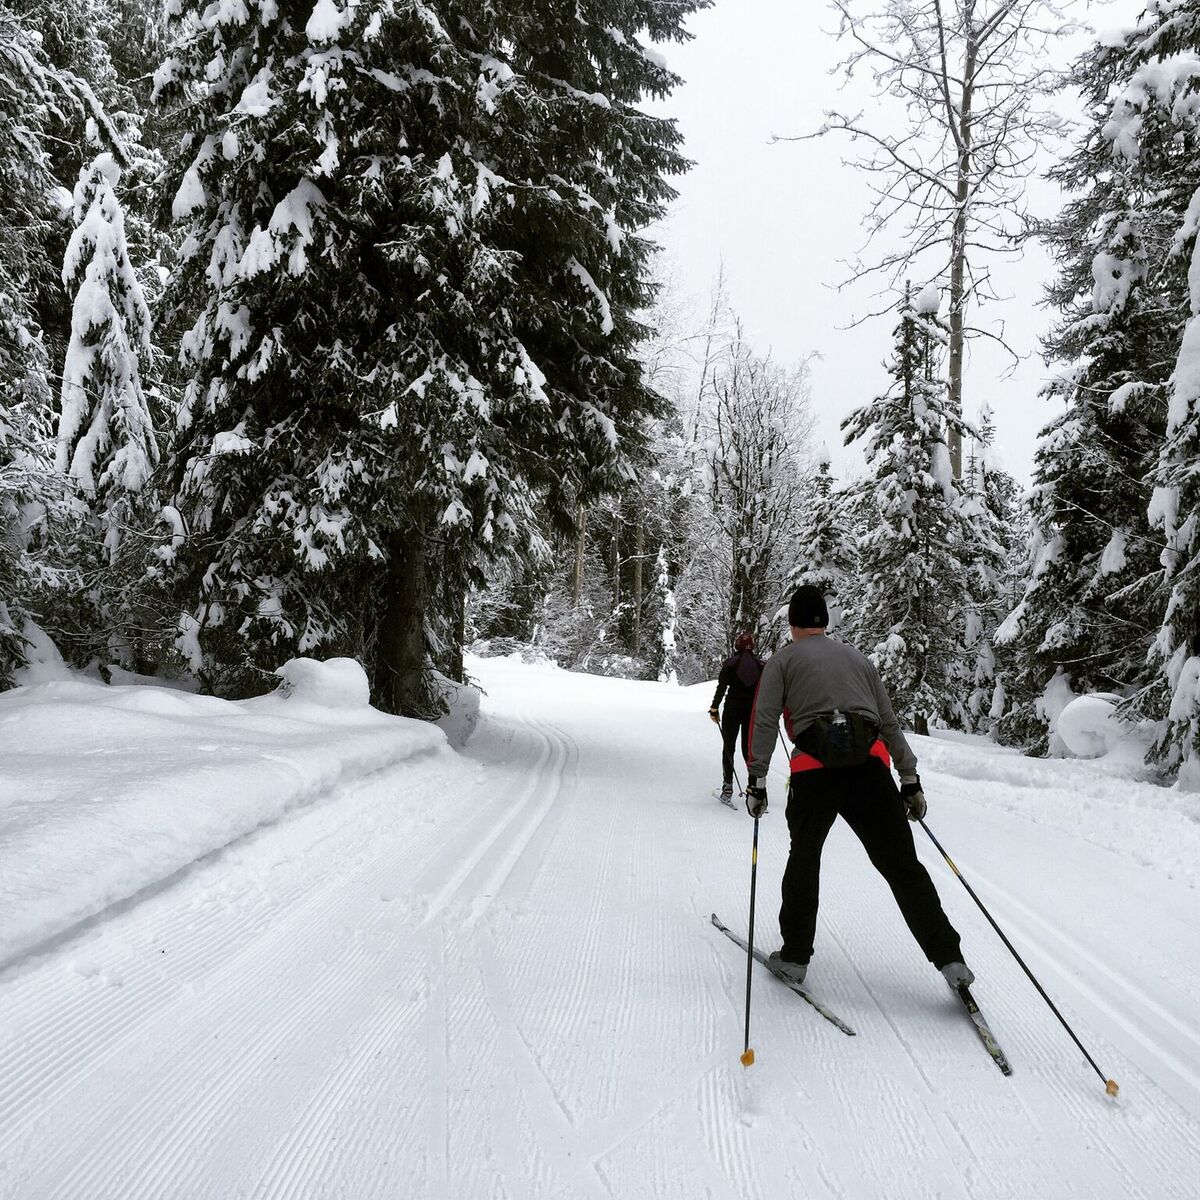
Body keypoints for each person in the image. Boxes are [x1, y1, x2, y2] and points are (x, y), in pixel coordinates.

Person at [742, 585, 973, 991]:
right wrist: (909, 778)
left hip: (814, 772)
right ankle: (950, 959)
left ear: (793, 624)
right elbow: (888, 721)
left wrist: (757, 781)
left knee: (805, 859)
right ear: (825, 624)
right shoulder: (858, 660)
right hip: (870, 769)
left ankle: (795, 957)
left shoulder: (782, 661)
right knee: (903, 867)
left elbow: (763, 720)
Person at [709, 633, 764, 801]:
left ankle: (728, 787)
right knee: (748, 750)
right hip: (751, 712)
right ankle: (753, 788)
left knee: (728, 747)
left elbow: (721, 687)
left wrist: (714, 708)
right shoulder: (761, 665)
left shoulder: (730, 664)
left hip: (732, 710)